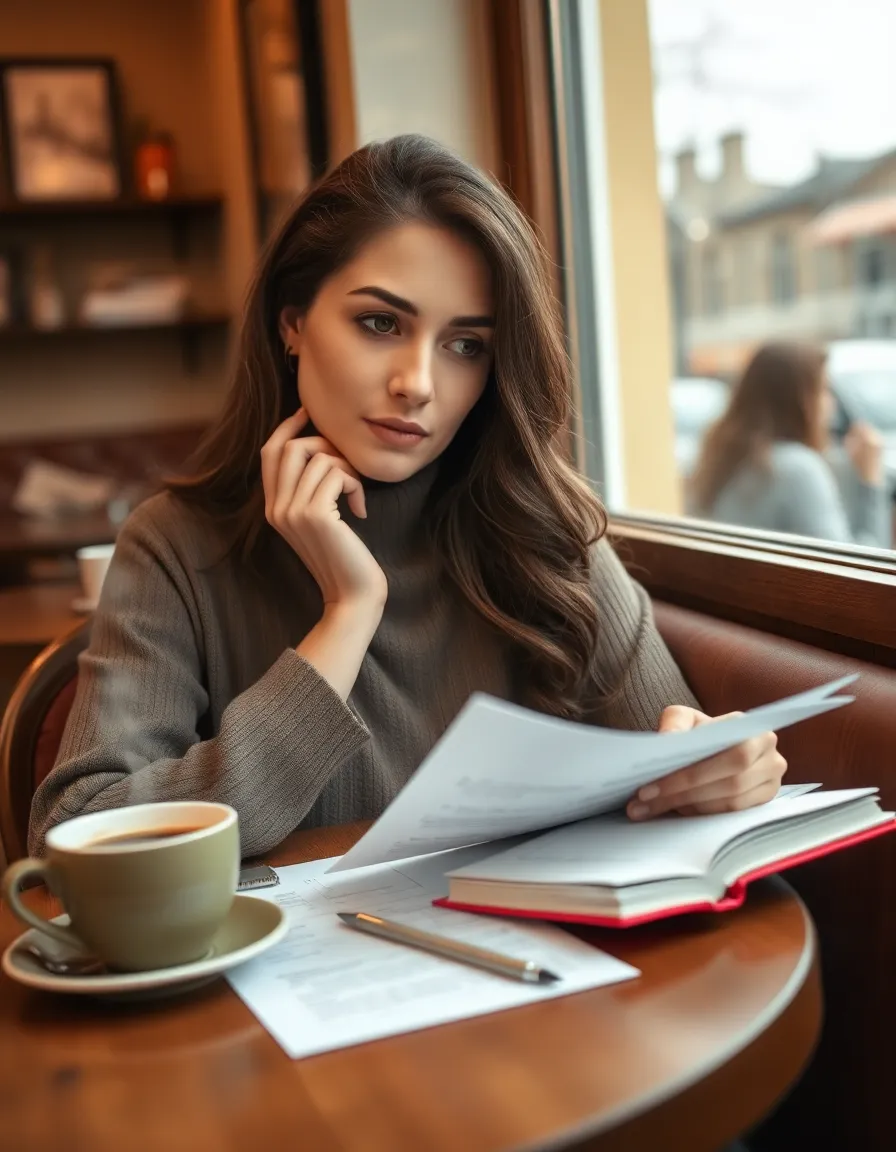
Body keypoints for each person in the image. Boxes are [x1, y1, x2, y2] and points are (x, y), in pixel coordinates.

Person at [28, 136, 786, 858]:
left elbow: (680, 757)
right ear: (293, 322)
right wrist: (347, 613)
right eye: (380, 322)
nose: (418, 383)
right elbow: (76, 837)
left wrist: (725, 767)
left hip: (545, 984)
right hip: (284, 993)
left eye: (466, 345)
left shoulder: (545, 534)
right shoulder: (176, 547)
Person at [689, 341, 889, 547]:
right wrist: (870, 481)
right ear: (803, 401)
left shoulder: (720, 458)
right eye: (824, 390)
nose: (832, 405)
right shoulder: (797, 468)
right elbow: (855, 572)